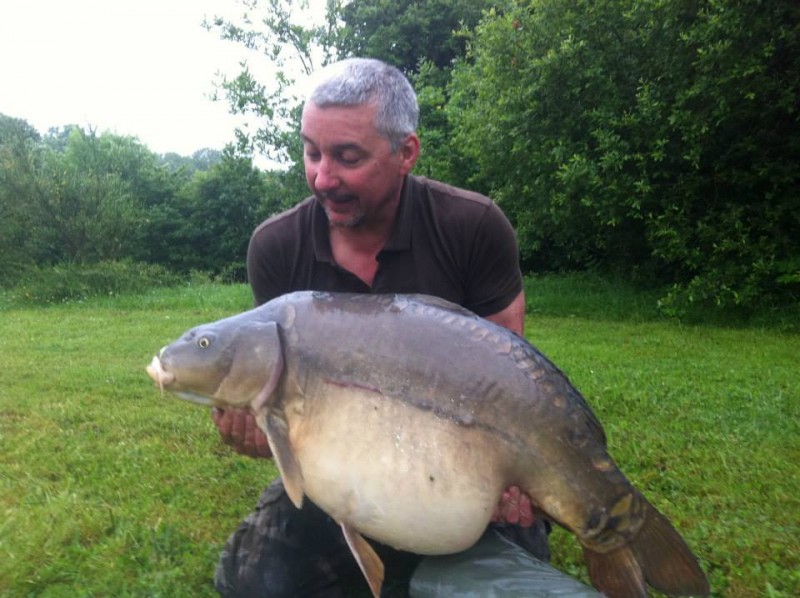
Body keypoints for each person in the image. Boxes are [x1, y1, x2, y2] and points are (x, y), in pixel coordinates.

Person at [212, 57, 549, 597]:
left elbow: (509, 388)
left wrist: (513, 478)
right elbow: (285, 420)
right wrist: (261, 437)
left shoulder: (473, 227)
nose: (324, 177)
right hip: (341, 474)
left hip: (459, 471)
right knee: (257, 583)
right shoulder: (275, 248)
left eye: (348, 157)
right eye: (311, 151)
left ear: (405, 153)